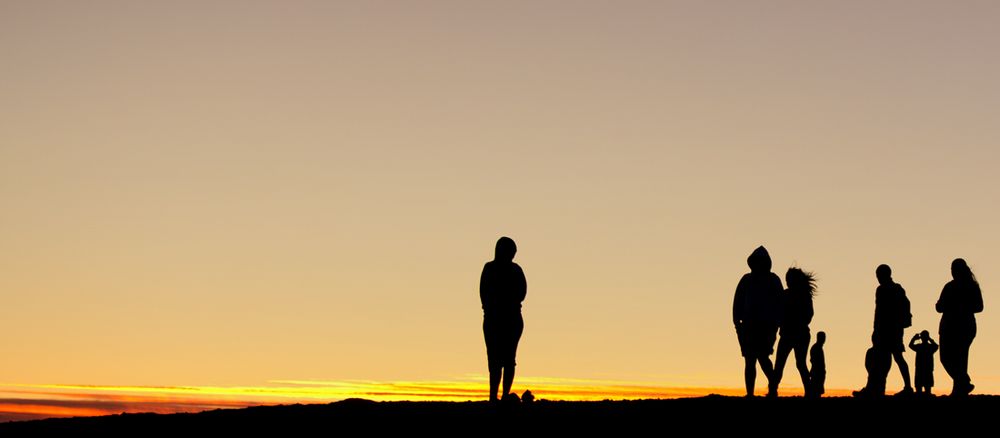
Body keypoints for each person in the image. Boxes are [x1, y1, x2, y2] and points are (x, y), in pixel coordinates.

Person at [480, 236, 527, 402]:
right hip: (495, 319)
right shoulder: (490, 268)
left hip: (511, 319)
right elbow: (484, 293)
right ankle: (493, 396)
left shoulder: (516, 270)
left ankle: (505, 394)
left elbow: (522, 293)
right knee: (495, 359)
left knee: (508, 359)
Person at [733, 246, 782, 397]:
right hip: (748, 325)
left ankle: (773, 387)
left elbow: (781, 302)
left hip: (767, 326)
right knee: (749, 360)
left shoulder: (773, 279)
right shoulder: (746, 279)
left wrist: (777, 323)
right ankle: (750, 393)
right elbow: (738, 301)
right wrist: (737, 322)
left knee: (762, 357)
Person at [936, 258, 983, 397]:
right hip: (949, 327)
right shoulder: (949, 286)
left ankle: (960, 387)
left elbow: (979, 307)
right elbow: (939, 307)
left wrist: (961, 306)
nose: (952, 272)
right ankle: (962, 383)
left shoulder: (971, 286)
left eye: (953, 269)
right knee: (947, 358)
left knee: (959, 359)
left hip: (963, 327)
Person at [771, 267, 816, 396]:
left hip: (794, 334)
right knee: (789, 364)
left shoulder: (797, 296)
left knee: (792, 363)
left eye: (789, 279)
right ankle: (774, 390)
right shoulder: (788, 295)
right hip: (792, 333)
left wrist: (790, 322)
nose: (787, 282)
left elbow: (809, 315)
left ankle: (808, 390)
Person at [871, 264, 913, 396]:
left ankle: (907, 387)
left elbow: (880, 313)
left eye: (878, 275)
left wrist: (876, 330)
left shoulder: (885, 289)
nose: (878, 278)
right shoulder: (897, 289)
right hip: (893, 329)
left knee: (892, 358)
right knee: (892, 358)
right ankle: (877, 388)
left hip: (888, 330)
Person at [909, 330, 938, 396]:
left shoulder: (919, 347)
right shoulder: (930, 347)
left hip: (923, 369)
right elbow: (936, 346)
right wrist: (930, 339)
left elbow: (910, 345)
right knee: (926, 389)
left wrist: (914, 338)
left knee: (922, 389)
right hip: (925, 369)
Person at [808, 331, 826, 398]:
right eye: (823, 337)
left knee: (817, 392)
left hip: (819, 372)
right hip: (817, 373)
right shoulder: (816, 348)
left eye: (824, 337)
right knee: (816, 392)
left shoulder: (817, 348)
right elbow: (814, 361)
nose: (824, 339)